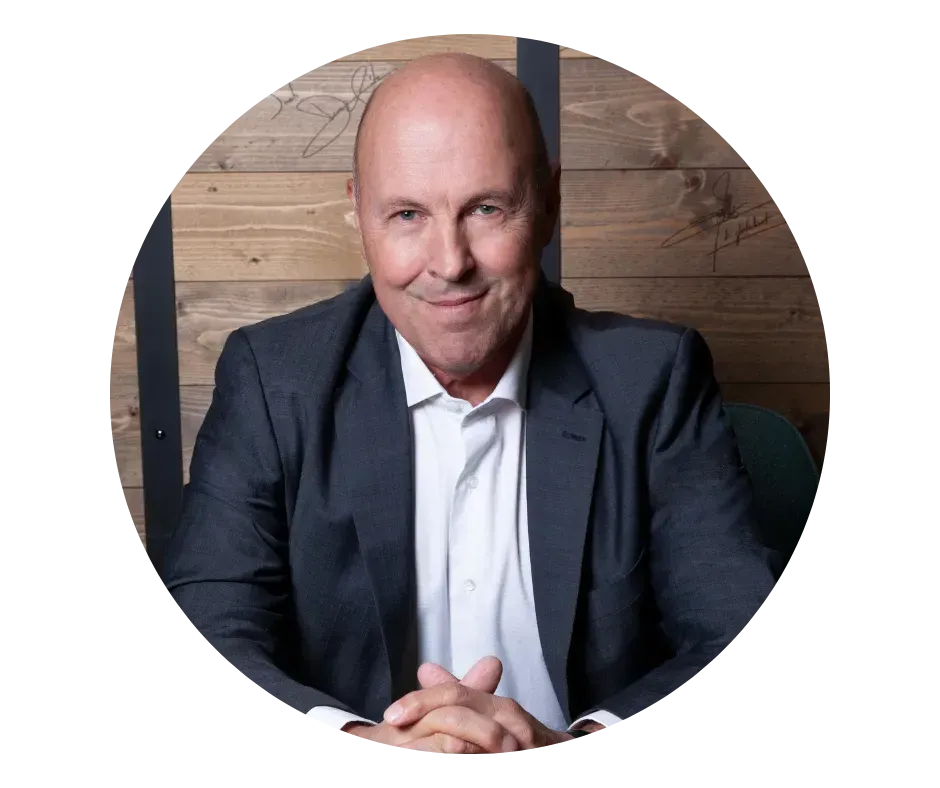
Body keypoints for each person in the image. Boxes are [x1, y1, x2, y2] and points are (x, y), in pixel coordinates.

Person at [162, 53, 775, 754]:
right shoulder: (273, 380)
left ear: (548, 204)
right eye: (407, 214)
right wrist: (360, 739)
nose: (450, 262)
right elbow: (208, 623)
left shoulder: (654, 381)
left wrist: (574, 745)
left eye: (486, 209)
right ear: (358, 214)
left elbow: (738, 636)